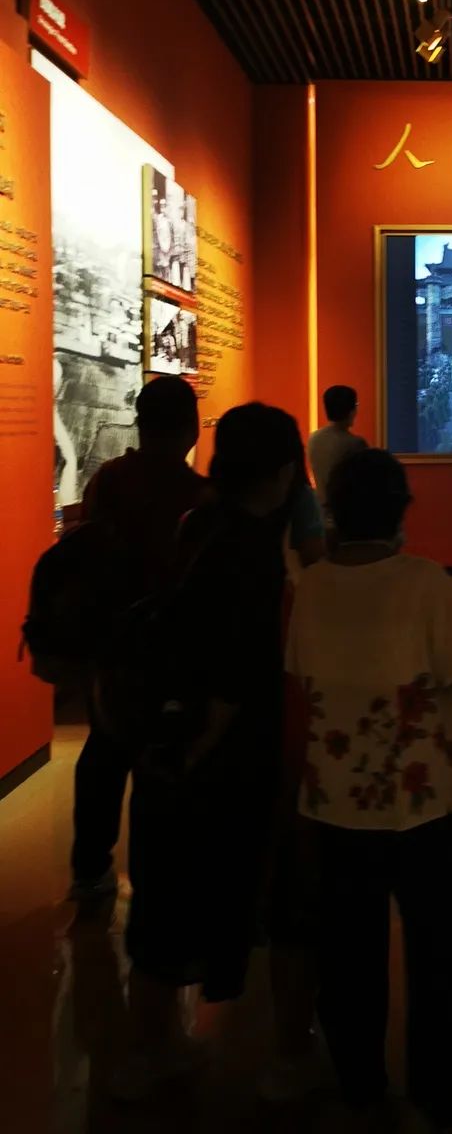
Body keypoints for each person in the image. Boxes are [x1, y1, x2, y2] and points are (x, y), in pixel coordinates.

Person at [287, 449, 452, 1129]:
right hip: (425, 802)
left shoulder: (311, 586)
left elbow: (298, 685)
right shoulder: (423, 580)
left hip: (335, 805)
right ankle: (439, 1090)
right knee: (441, 953)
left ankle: (360, 1084)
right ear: (402, 511)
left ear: (334, 514)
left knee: (347, 955)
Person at [117, 403, 298, 1100]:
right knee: (200, 895)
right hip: (215, 759)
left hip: (165, 738)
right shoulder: (251, 551)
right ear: (282, 471)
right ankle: (155, 1054)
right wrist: (197, 751)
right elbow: (232, 677)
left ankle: (149, 1047)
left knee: (161, 901)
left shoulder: (198, 523)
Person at [70, 375, 207, 904]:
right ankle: (157, 882)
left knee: (103, 753)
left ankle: (90, 870)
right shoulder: (200, 497)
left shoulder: (107, 481)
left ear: (140, 423)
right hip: (173, 654)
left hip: (112, 648)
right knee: (162, 762)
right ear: (192, 429)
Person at [307, 385, 367, 516]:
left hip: (320, 514)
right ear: (351, 411)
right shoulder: (355, 444)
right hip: (346, 516)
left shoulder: (313, 438)